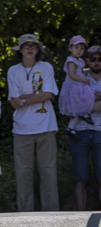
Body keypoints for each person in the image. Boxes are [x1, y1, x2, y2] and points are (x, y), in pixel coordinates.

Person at [6, 34, 60, 211]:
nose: (30, 49)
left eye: (33, 45)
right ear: (20, 50)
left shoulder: (46, 67)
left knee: (49, 172)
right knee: (23, 174)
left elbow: (49, 94)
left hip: (47, 126)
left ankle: (52, 215)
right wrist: (39, 95)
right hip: (21, 129)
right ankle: (24, 216)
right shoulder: (13, 71)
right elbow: (14, 102)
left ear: (38, 49)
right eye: (26, 45)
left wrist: (24, 99)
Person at [68, 45, 101, 210]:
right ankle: (80, 216)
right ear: (87, 61)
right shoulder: (77, 79)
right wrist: (95, 101)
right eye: (93, 59)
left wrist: (82, 104)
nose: (96, 62)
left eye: (100, 59)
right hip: (79, 133)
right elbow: (70, 104)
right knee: (80, 179)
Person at [59, 35, 95, 120]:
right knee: (80, 100)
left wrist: (89, 70)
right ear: (70, 48)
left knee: (86, 97)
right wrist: (84, 79)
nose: (79, 50)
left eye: (82, 48)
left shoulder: (79, 61)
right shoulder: (71, 61)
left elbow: (80, 71)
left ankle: (83, 113)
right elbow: (72, 75)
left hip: (78, 85)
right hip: (73, 86)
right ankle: (81, 114)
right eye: (76, 47)